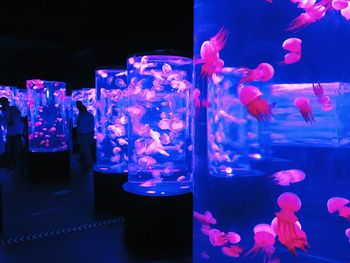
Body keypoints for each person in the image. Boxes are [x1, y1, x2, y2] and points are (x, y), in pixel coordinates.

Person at [0, 97, 23, 170]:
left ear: (7, 102)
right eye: (2, 103)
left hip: (17, 132)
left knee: (18, 150)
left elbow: (19, 115)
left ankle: (19, 165)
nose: (3, 104)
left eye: (5, 102)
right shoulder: (2, 112)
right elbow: (3, 122)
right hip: (9, 133)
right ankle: (14, 165)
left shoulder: (13, 108)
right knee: (11, 150)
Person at [76, 101, 95, 170]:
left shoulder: (84, 116)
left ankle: (89, 164)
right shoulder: (90, 115)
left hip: (85, 133)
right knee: (85, 148)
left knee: (86, 149)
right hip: (88, 133)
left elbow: (81, 126)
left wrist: (80, 132)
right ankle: (87, 162)